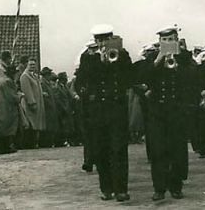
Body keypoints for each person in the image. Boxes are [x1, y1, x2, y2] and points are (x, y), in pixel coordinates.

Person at [138, 25, 198, 201]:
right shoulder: (151, 58)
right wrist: (158, 60)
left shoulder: (185, 57)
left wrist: (179, 65)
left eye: (171, 39)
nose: (167, 43)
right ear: (159, 42)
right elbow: (143, 78)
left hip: (178, 110)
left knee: (177, 149)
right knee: (158, 150)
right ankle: (159, 188)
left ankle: (176, 186)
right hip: (157, 110)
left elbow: (193, 79)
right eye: (164, 40)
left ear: (177, 40)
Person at [77, 24, 134, 202]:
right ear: (95, 41)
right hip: (97, 111)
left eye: (105, 39)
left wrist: (113, 63)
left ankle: (121, 190)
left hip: (116, 109)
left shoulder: (122, 55)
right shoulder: (88, 58)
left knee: (118, 150)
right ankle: (106, 188)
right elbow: (80, 84)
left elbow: (129, 78)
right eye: (99, 40)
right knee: (101, 150)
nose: (102, 43)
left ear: (112, 39)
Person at [0, 62, 20, 154]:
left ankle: (5, 146)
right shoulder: (7, 81)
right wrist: (19, 96)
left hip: (1, 106)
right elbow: (11, 97)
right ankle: (5, 147)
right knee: (6, 127)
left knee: (3, 126)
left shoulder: (2, 79)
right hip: (6, 108)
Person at [19, 58, 45, 149]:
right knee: (31, 123)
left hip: (37, 103)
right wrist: (32, 102)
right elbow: (27, 91)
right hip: (31, 104)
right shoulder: (25, 76)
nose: (32, 66)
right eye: (30, 65)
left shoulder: (33, 76)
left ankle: (34, 142)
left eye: (34, 65)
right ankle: (29, 143)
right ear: (27, 65)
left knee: (36, 124)